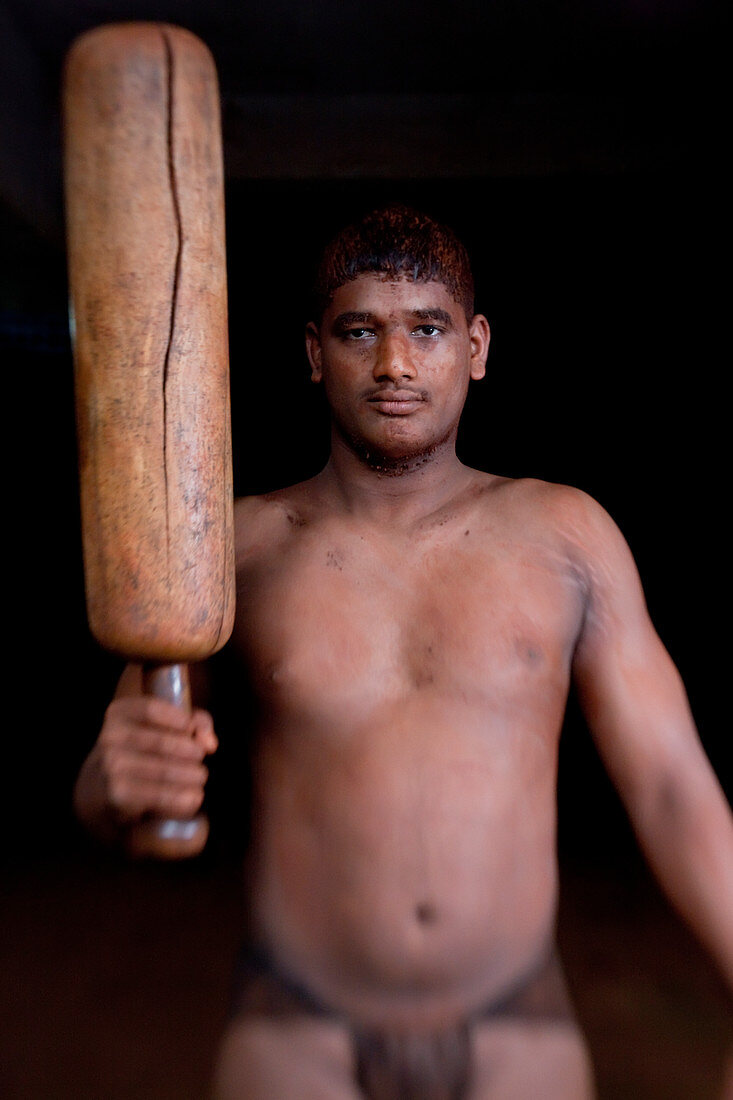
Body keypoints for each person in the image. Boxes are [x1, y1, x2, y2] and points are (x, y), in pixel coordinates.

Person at [73, 204, 733, 1099]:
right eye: (359, 332)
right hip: (299, 1031)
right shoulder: (229, 549)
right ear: (314, 352)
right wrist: (108, 784)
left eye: (426, 329)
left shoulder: (565, 533)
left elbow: (669, 784)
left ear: (477, 345)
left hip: (514, 1029)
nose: (393, 365)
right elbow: (117, 779)